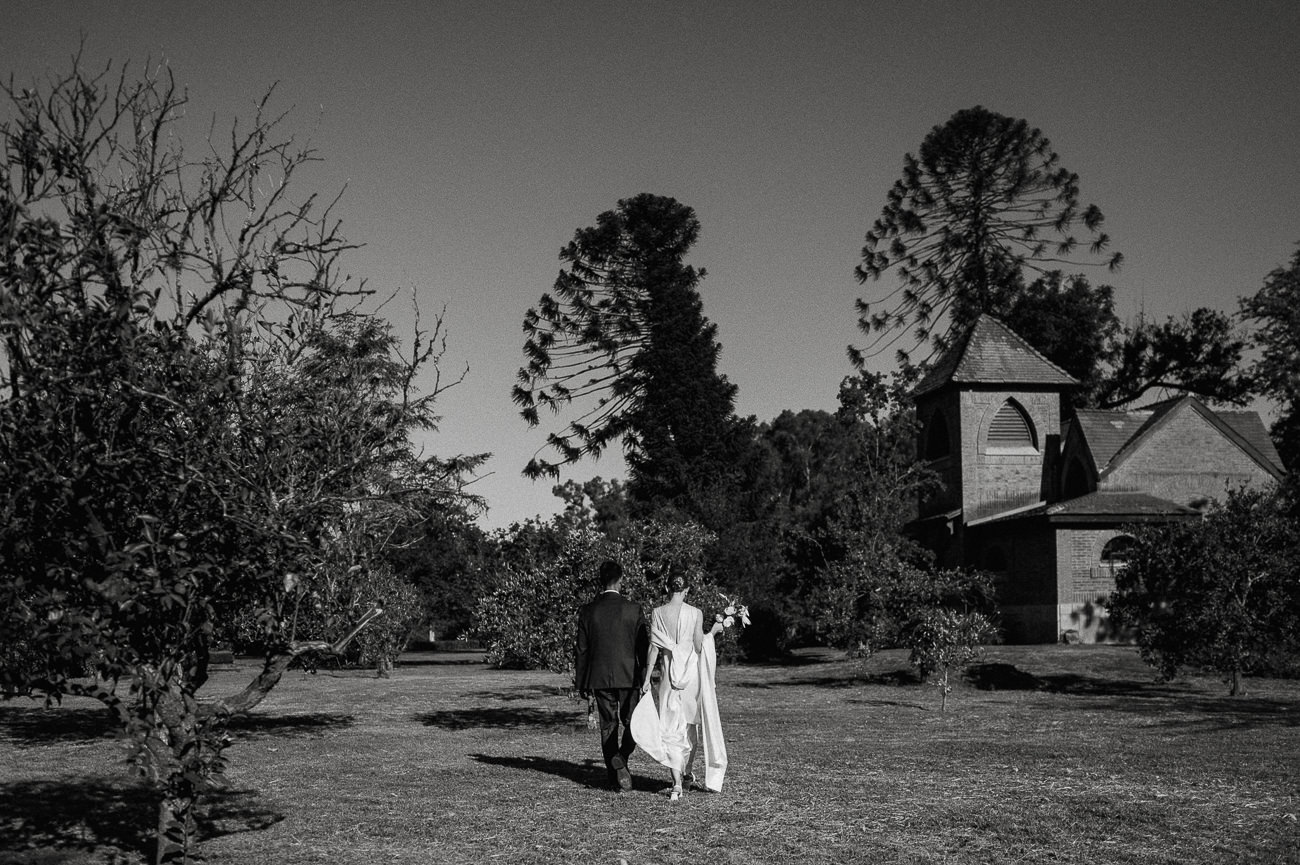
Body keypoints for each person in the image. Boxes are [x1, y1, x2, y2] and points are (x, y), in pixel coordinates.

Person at [631, 571, 727, 801]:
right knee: (689, 727)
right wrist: (713, 632)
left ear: (667, 587)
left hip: (668, 680)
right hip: (690, 678)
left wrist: (646, 679)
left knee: (670, 728)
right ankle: (685, 771)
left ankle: (676, 783)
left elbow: (653, 648)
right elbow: (698, 645)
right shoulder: (695, 613)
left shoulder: (657, 613)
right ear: (686, 590)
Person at [575, 559, 649, 792]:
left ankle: (614, 772)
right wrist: (646, 676)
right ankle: (622, 757)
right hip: (629, 675)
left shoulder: (588, 611)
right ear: (621, 580)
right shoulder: (633, 609)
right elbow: (643, 647)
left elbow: (581, 649)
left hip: (599, 676)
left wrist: (581, 682)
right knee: (634, 724)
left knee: (608, 725)